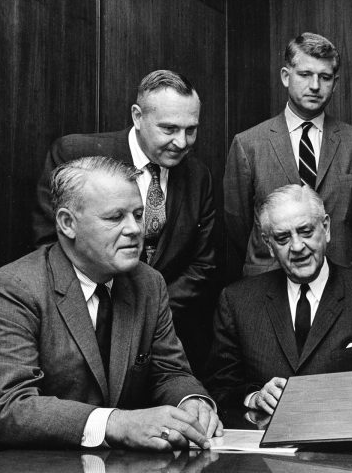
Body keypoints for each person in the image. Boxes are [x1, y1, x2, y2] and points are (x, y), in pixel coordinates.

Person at [0, 157, 222, 449]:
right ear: (67, 223)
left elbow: (169, 373)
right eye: (115, 218)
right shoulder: (14, 288)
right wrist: (114, 423)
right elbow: (8, 407)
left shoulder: (148, 283)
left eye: (138, 215)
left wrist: (191, 401)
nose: (135, 229)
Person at [32, 70, 215, 376]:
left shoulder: (198, 176)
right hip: (82, 334)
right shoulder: (76, 154)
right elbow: (51, 243)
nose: (182, 142)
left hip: (164, 338)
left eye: (191, 130)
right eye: (169, 129)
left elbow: (202, 265)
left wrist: (149, 314)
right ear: (138, 116)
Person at [206, 185, 352, 414]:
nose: (297, 246)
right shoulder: (237, 302)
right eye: (282, 238)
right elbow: (219, 389)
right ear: (269, 245)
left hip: (342, 434)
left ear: (326, 228)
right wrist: (254, 398)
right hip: (268, 436)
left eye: (306, 231)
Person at [225, 32, 352, 277]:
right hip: (269, 279)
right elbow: (238, 226)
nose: (315, 86)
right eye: (305, 74)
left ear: (335, 83)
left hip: (342, 278)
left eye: (325, 77)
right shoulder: (248, 144)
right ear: (286, 77)